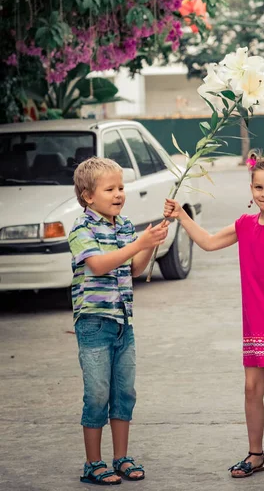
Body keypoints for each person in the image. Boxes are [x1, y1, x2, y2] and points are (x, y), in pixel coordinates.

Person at [164, 151, 264, 486]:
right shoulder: (244, 225)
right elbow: (207, 242)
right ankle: (255, 454)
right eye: (259, 187)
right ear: (250, 188)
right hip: (257, 321)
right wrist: (181, 215)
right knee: (252, 388)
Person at [69, 157, 168, 485]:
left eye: (121, 188)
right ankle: (92, 463)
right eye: (110, 189)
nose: (118, 194)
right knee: (97, 394)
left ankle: (120, 457)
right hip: (94, 323)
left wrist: (150, 245)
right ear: (88, 196)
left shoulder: (124, 225)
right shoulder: (82, 228)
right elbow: (98, 265)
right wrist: (138, 244)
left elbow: (133, 269)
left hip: (124, 322)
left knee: (124, 392)